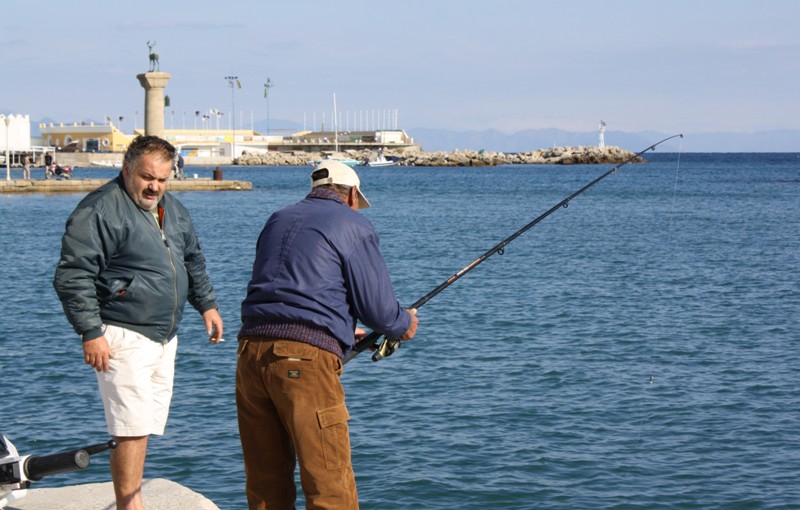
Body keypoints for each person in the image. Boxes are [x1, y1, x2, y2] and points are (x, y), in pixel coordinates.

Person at [53, 135, 224, 510]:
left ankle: (132, 501)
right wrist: (91, 332)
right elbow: (73, 275)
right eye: (147, 177)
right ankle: (130, 506)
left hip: (164, 336)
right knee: (129, 427)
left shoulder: (173, 208)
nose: (154, 187)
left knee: (142, 424)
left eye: (163, 180)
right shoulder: (99, 210)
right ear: (126, 170)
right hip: (121, 332)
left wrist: (207, 306)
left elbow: (192, 259)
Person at [236, 160, 418, 509]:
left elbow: (288, 291)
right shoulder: (353, 224)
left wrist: (343, 331)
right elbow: (379, 310)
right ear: (351, 195)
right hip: (303, 363)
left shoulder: (278, 219)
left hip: (251, 354)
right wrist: (403, 323)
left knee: (265, 481)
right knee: (328, 481)